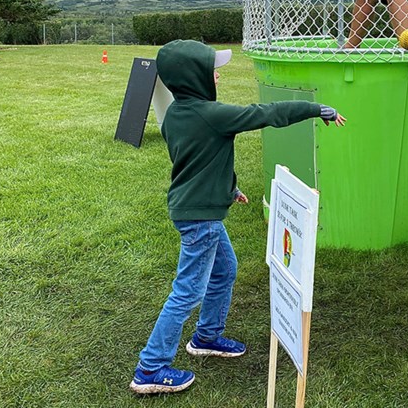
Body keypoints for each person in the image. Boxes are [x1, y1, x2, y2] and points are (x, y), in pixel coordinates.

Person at [129, 39, 347, 395]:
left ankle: (207, 337)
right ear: (194, 77)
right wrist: (315, 108)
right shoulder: (211, 115)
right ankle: (150, 368)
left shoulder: (176, 115)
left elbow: (198, 160)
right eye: (210, 68)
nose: (216, 73)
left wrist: (228, 189)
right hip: (201, 218)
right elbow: (266, 114)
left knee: (225, 270)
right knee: (186, 292)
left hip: (194, 209)